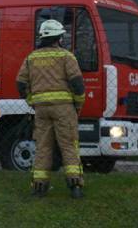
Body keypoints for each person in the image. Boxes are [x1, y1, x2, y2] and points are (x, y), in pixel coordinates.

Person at [17, 19, 86, 198]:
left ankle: (39, 187)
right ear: (59, 38)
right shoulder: (66, 57)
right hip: (64, 109)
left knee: (43, 147)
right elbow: (78, 85)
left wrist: (31, 101)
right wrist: (78, 105)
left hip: (41, 110)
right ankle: (75, 186)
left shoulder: (31, 58)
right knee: (69, 146)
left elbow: (21, 83)